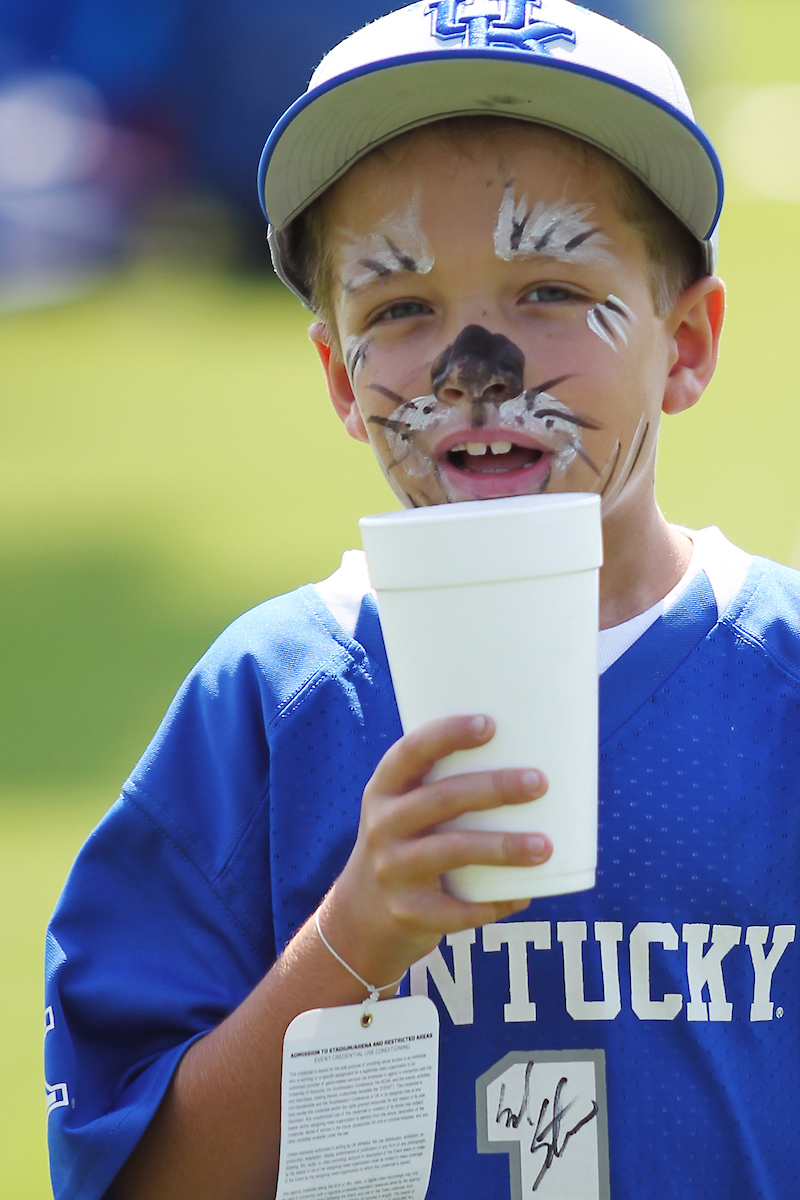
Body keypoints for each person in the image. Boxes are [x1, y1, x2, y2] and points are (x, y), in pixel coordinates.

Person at [45, 3, 799, 1199]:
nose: (474, 369)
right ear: (341, 377)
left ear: (687, 342)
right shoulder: (274, 700)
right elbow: (135, 1175)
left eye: (550, 287)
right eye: (399, 308)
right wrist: (347, 941)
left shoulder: (778, 681)